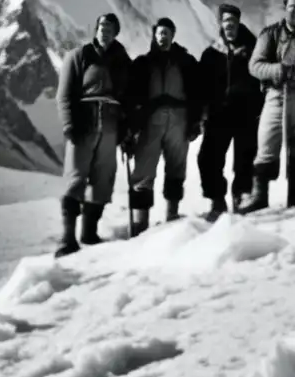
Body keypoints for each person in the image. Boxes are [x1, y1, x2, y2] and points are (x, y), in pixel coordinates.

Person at [237, 0, 295, 214]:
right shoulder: (271, 34)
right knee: (267, 142)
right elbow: (255, 66)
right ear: (285, 8)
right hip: (276, 95)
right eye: (291, 6)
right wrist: (279, 70)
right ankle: (260, 196)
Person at [53, 13, 132, 257]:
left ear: (116, 32)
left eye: (109, 27)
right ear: (95, 29)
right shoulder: (78, 56)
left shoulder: (122, 61)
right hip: (83, 125)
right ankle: (67, 239)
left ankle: (89, 233)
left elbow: (129, 98)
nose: (104, 30)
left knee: (103, 180)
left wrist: (127, 129)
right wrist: (69, 125)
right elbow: (64, 95)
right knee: (76, 179)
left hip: (110, 126)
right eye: (101, 26)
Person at [126, 17, 203, 233]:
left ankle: (172, 214)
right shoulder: (142, 64)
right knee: (143, 171)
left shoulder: (186, 62)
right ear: (154, 35)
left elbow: (198, 93)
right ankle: (140, 225)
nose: (163, 37)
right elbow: (131, 97)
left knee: (176, 169)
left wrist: (196, 121)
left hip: (179, 121)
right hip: (150, 122)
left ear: (173, 36)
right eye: (160, 33)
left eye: (167, 33)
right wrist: (130, 129)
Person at [196, 4, 263, 220]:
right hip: (218, 114)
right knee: (208, 157)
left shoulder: (253, 50)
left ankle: (241, 196)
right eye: (226, 23)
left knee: (245, 156)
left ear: (238, 23)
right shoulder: (211, 54)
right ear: (221, 25)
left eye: (233, 23)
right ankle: (217, 200)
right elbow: (201, 87)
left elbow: (263, 80)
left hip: (246, 113)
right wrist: (201, 113)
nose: (229, 27)